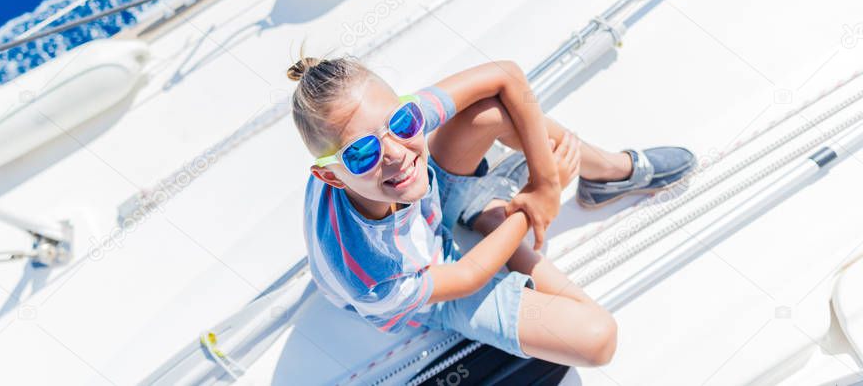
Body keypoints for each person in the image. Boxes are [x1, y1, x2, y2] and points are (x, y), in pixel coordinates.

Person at [290, 55, 696, 366]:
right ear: (331, 178)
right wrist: (530, 210)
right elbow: (466, 277)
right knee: (597, 339)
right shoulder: (369, 277)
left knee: (488, 113)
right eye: (361, 154)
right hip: (433, 287)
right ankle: (491, 216)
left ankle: (609, 172)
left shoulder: (387, 129)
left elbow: (505, 74)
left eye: (403, 121)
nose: (397, 153)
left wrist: (545, 181)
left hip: (425, 210)